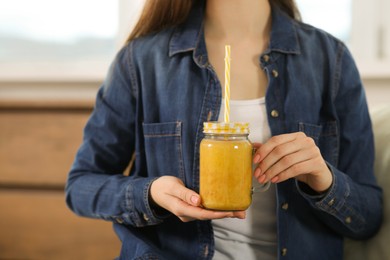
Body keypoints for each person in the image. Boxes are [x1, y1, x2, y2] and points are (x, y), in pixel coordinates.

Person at [65, 0, 383, 259]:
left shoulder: (332, 59)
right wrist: (151, 193)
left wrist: (322, 180)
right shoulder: (140, 61)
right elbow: (81, 187)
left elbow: (367, 218)